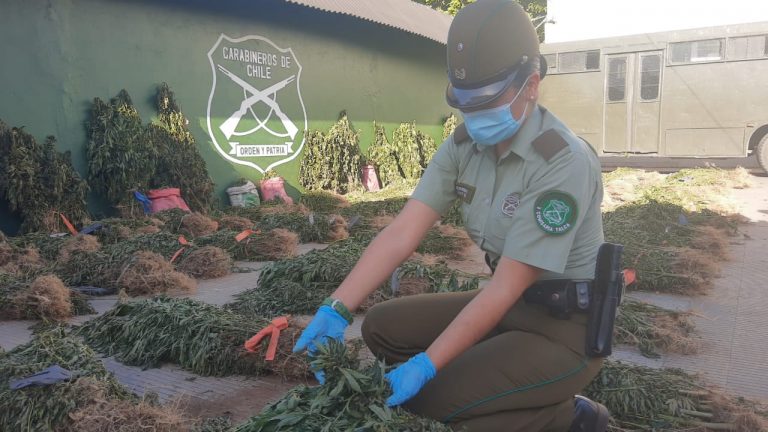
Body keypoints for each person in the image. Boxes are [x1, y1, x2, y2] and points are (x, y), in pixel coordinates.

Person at [293, 0, 611, 430]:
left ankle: (566, 416)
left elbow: (503, 287)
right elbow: (403, 232)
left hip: (564, 329)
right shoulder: (463, 147)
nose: (474, 113)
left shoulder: (562, 161)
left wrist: (427, 365)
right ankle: (492, 382)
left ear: (531, 85)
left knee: (430, 403)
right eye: (464, 100)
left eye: (486, 98)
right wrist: (336, 308)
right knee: (382, 328)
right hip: (509, 308)